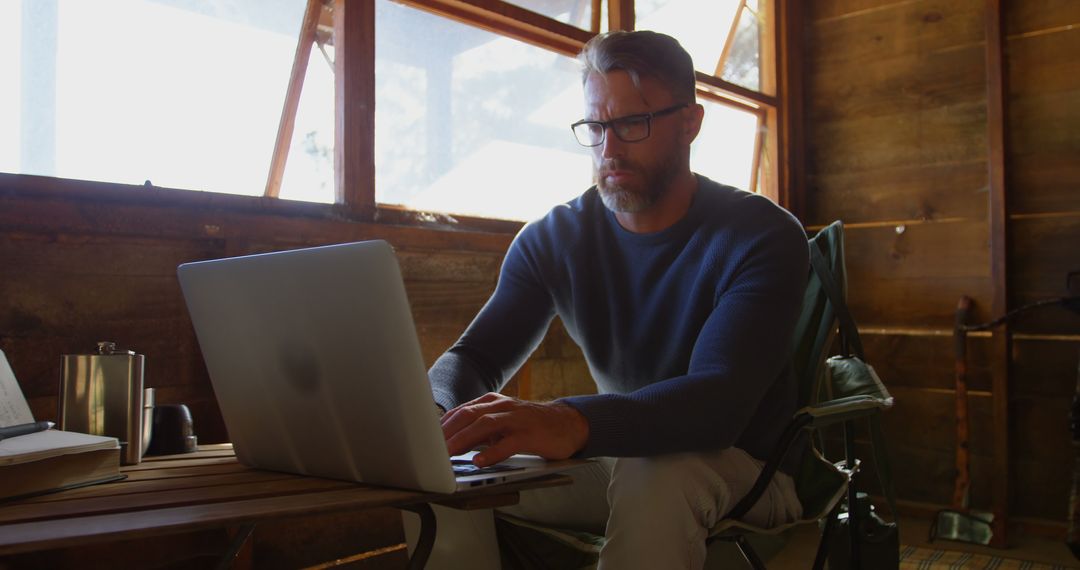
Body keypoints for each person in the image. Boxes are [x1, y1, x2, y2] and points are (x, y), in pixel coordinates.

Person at [427, 29, 809, 569]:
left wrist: (569, 420)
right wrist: (436, 416)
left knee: (653, 470)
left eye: (633, 123)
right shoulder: (554, 237)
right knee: (439, 474)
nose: (610, 149)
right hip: (621, 459)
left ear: (690, 124)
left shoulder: (760, 235)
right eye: (596, 126)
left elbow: (719, 401)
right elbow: (476, 357)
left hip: (748, 470)